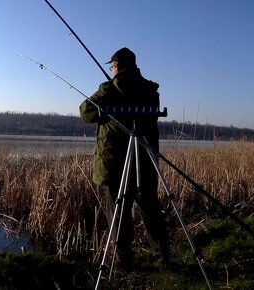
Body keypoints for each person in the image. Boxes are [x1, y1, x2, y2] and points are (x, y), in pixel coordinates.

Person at [79, 47, 170, 268]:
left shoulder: (109, 90)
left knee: (118, 210)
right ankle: (163, 257)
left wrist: (108, 95)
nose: (111, 70)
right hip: (145, 158)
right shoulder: (150, 90)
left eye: (112, 67)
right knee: (149, 205)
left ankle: (123, 260)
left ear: (117, 67)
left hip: (114, 162)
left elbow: (85, 112)